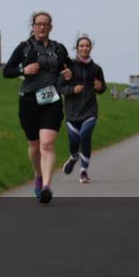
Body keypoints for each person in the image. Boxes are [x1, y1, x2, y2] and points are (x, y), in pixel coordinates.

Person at [2, 11, 73, 204]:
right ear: (33, 26)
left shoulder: (59, 48)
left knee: (47, 144)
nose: (42, 27)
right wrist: (22, 70)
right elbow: (6, 71)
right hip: (29, 100)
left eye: (45, 24)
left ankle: (46, 187)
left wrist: (69, 73)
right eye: (38, 23)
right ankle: (39, 176)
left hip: (52, 100)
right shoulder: (24, 47)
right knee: (34, 146)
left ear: (51, 27)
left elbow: (70, 69)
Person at [57, 35, 106, 184]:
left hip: (90, 109)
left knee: (85, 136)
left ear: (91, 48)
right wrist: (72, 90)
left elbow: (102, 87)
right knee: (74, 141)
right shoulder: (68, 67)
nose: (84, 48)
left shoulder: (96, 69)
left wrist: (99, 87)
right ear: (77, 48)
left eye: (87, 46)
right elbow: (59, 87)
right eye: (82, 46)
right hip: (72, 111)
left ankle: (83, 171)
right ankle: (73, 157)